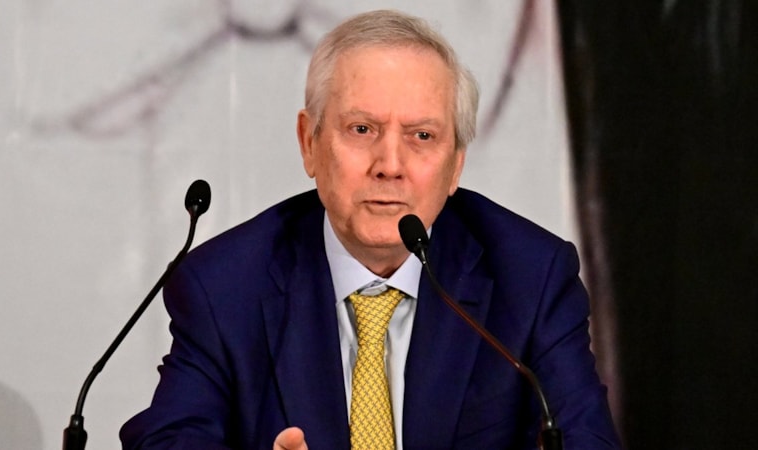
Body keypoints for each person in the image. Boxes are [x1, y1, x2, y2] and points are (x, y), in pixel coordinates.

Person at [120, 9, 620, 450]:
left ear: (456, 166)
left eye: (422, 136)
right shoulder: (225, 285)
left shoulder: (530, 277)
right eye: (362, 130)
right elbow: (167, 438)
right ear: (309, 143)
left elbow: (584, 438)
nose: (390, 165)